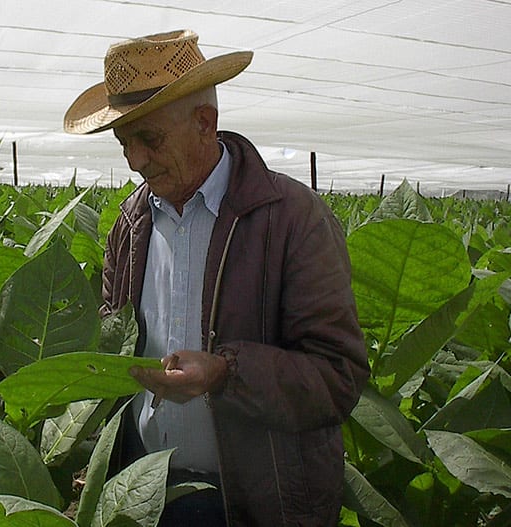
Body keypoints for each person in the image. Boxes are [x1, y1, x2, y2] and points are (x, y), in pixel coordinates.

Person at [63, 30, 370, 527]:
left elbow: (339, 378)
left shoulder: (293, 219)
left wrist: (226, 374)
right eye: (124, 143)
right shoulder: (130, 225)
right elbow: (108, 341)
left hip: (255, 502)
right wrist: (22, 363)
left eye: (150, 138)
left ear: (205, 123)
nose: (136, 161)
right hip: (142, 495)